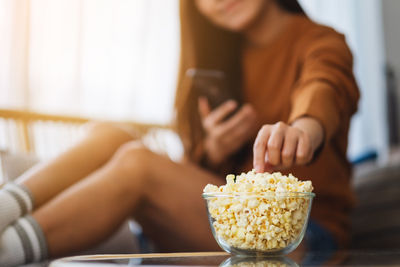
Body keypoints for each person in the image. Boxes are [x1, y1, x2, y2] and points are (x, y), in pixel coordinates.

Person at [0, 0, 359, 266]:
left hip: (301, 237)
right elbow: (193, 183)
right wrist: (214, 151)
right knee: (111, 135)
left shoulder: (321, 41)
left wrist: (303, 129)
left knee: (138, 162)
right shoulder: (217, 57)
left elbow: (324, 86)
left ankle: (7, 250)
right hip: (219, 227)